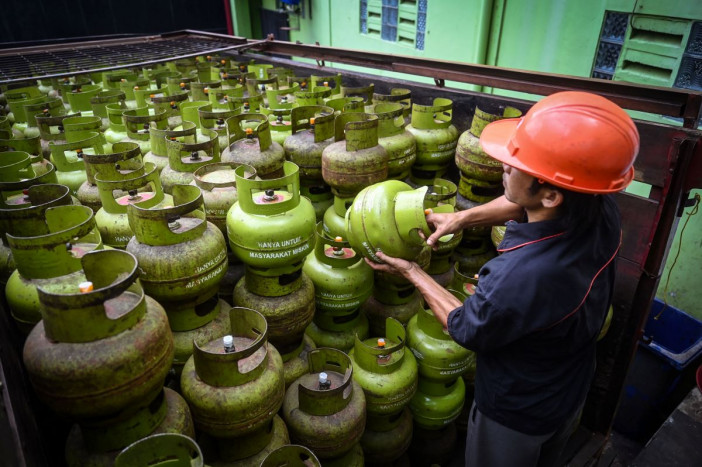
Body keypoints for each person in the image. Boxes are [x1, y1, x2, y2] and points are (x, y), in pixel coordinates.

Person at [365, 91, 639, 467]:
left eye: (516, 164)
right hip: (571, 380)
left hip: (519, 411)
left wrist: (413, 271)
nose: (505, 166)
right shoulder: (601, 209)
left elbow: (464, 326)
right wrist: (461, 218)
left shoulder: (519, 276)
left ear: (551, 196)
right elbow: (527, 201)